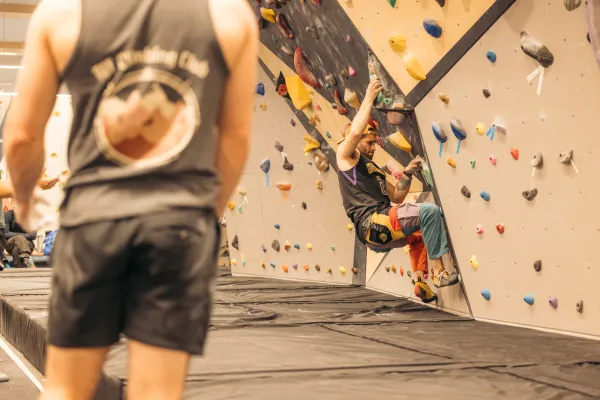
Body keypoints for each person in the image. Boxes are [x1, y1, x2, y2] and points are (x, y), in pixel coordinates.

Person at [3, 0, 257, 398]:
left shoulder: (60, 13)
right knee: (157, 391)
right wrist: (205, 211)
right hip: (179, 222)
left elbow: (21, 137)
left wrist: (23, 199)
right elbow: (235, 137)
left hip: (93, 219)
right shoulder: (230, 14)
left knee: (66, 389)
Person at [336, 78, 460, 303]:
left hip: (376, 234)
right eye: (369, 143)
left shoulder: (373, 169)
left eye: (375, 143)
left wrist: (408, 173)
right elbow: (354, 134)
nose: (373, 148)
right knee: (429, 212)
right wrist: (369, 98)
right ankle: (440, 273)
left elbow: (397, 196)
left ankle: (420, 281)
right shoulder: (346, 158)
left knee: (421, 234)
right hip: (373, 222)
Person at [5, 199, 38, 268]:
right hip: (10, 243)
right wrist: (20, 236)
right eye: (14, 203)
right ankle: (27, 258)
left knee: (16, 249)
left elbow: (33, 235)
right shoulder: (8, 215)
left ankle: (20, 265)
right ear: (12, 204)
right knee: (19, 237)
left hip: (28, 245)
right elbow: (5, 233)